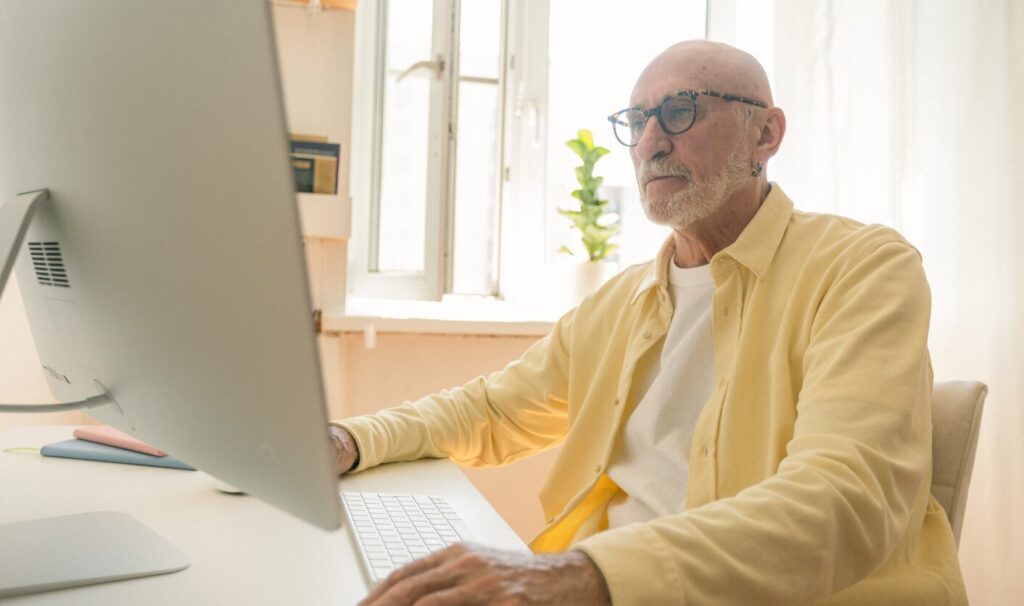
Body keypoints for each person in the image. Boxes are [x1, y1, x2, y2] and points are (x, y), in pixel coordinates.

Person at [329, 40, 968, 606]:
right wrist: (350, 440)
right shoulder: (622, 302)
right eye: (637, 121)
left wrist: (579, 575)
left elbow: (843, 500)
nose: (651, 142)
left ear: (766, 136)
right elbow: (491, 410)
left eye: (681, 112)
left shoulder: (862, 268)